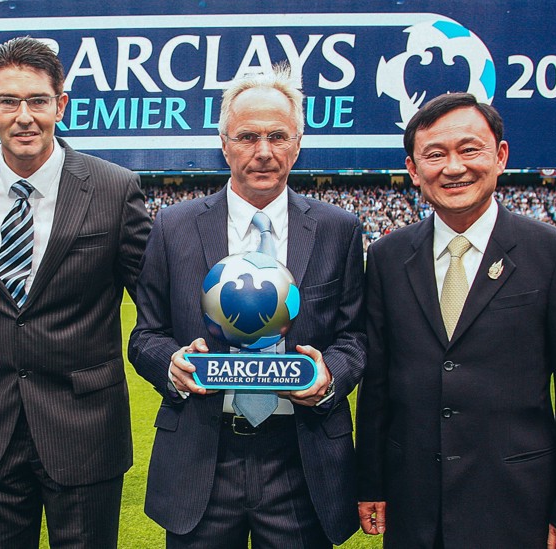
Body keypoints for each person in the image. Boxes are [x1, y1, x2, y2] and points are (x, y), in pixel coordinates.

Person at [356, 92, 556, 549]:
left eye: (469, 149)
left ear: (500, 156)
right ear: (414, 171)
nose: (453, 167)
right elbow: (378, 386)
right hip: (414, 508)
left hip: (517, 505)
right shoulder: (388, 257)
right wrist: (372, 482)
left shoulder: (555, 255)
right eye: (434, 154)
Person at [128, 64, 365, 548]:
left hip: (300, 458)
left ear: (298, 142)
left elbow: (354, 337)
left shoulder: (338, 229)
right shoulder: (173, 226)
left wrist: (329, 378)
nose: (263, 152)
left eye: (278, 136)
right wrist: (170, 366)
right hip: (202, 454)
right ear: (223, 142)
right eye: (247, 136)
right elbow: (144, 336)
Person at [0, 36, 151, 548]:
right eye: (9, 101)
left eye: (38, 101)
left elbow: (154, 301)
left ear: (60, 105)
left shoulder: (115, 188)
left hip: (85, 427)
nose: (24, 116)